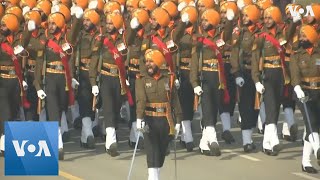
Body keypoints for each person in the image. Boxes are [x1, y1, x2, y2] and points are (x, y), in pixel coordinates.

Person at [135, 49, 182, 180]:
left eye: (152, 61)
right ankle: (153, 177)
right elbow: (141, 99)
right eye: (147, 62)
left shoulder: (169, 78)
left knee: (161, 153)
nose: (148, 64)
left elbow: (174, 100)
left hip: (165, 120)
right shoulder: (141, 79)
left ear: (159, 62)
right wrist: (139, 118)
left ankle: (155, 175)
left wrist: (178, 120)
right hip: (149, 120)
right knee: (152, 151)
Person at [290, 25, 320, 174]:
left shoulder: (318, 53)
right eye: (300, 36)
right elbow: (294, 73)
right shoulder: (296, 54)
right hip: (303, 92)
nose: (301, 39)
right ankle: (318, 150)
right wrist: (297, 87)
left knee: (315, 124)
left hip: (318, 91)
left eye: (305, 36)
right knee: (311, 121)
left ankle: (306, 162)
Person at [231, 4, 260, 152]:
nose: (244, 18)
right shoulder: (240, 33)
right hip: (245, 74)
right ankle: (246, 141)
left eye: (247, 15)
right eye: (243, 16)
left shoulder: (261, 32)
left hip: (259, 74)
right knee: (245, 107)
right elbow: (234, 53)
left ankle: (251, 134)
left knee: (256, 109)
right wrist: (236, 74)